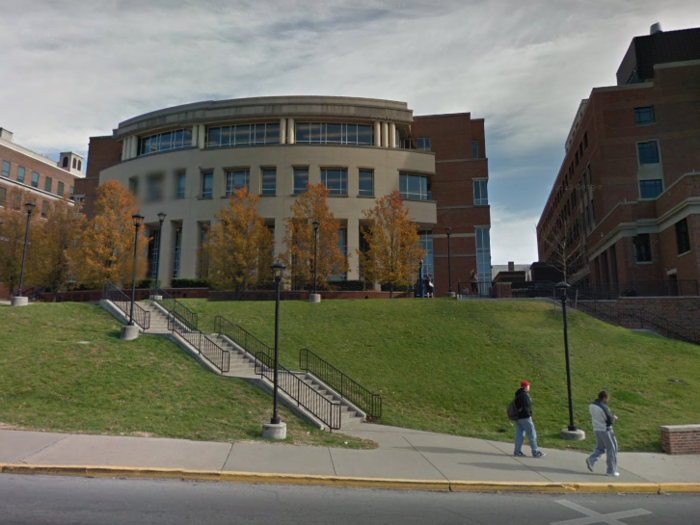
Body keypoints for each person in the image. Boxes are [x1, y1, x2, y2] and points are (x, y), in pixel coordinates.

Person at [586, 390, 619, 477]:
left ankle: (592, 459)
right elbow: (610, 420)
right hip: (606, 430)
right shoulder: (604, 407)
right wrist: (614, 418)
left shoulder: (591, 405)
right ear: (605, 397)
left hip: (596, 429)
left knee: (600, 448)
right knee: (612, 449)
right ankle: (611, 471)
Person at [513, 380, 546, 458]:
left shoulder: (518, 394)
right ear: (526, 387)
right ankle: (535, 451)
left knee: (519, 435)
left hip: (518, 418)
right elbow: (526, 407)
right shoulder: (525, 395)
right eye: (529, 386)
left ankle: (517, 451)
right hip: (525, 418)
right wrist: (529, 415)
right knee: (532, 434)